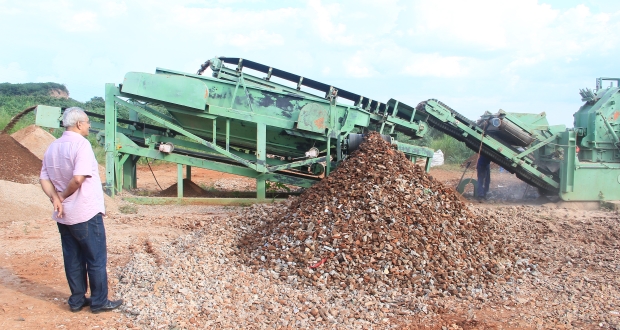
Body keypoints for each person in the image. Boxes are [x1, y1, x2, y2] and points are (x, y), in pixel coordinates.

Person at [39, 107, 123, 313]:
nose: (89, 125)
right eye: (87, 122)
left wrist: (55, 198)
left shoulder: (52, 147)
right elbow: (78, 179)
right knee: (95, 258)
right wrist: (63, 196)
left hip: (63, 216)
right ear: (78, 124)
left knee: (73, 259)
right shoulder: (81, 145)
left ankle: (76, 301)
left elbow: (44, 178)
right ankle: (99, 301)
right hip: (85, 212)